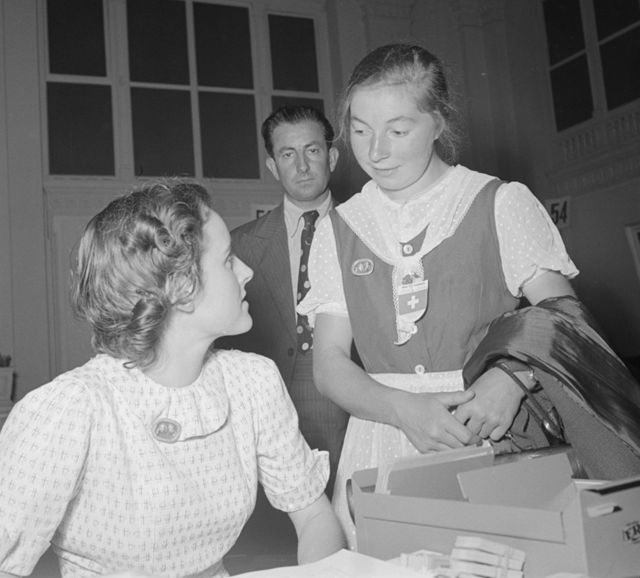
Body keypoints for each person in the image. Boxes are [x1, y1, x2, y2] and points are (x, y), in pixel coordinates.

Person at [297, 43, 579, 544]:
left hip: (488, 430)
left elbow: (566, 319)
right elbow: (329, 364)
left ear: (438, 123)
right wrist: (401, 409)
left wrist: (513, 379)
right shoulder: (338, 229)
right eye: (360, 130)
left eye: (398, 130)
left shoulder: (498, 202)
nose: (375, 151)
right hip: (381, 435)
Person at [0, 181, 345, 578]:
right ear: (181, 287)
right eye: (228, 260)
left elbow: (315, 516)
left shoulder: (252, 381)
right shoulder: (71, 409)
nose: (247, 272)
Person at [219, 106, 349, 493]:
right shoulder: (240, 246)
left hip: (352, 411)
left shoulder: (367, 234)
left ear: (332, 158)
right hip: (268, 417)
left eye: (313, 151)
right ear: (273, 167)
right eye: (288, 154)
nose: (302, 166)